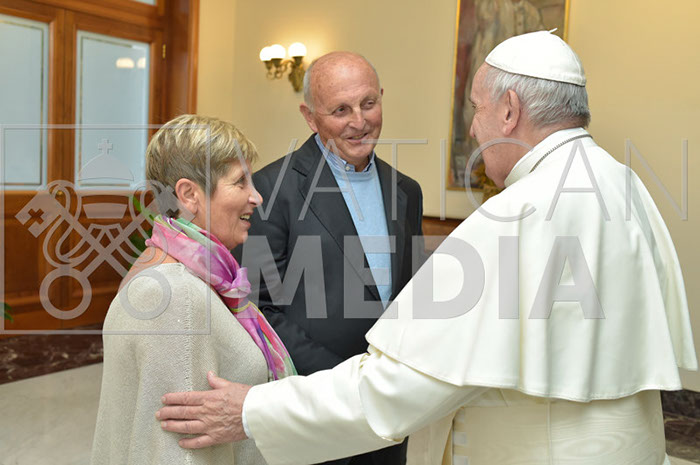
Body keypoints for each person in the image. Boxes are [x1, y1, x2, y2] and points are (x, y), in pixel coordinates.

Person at [156, 32, 697, 464]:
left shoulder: (518, 214)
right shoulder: (623, 184)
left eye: (477, 109)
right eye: (340, 108)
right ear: (312, 116)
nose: (474, 128)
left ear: (510, 111)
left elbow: (404, 383)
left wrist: (253, 410)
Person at [232, 51, 424, 464]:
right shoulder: (270, 190)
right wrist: (341, 382)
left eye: (368, 103)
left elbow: (408, 296)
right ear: (310, 116)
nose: (359, 121)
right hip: (311, 401)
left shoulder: (407, 190)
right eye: (340, 110)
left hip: (389, 404)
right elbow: (259, 307)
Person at [91, 115, 295, 464]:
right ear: (189, 194)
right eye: (240, 182)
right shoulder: (173, 293)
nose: (257, 197)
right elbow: (180, 452)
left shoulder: (190, 274)